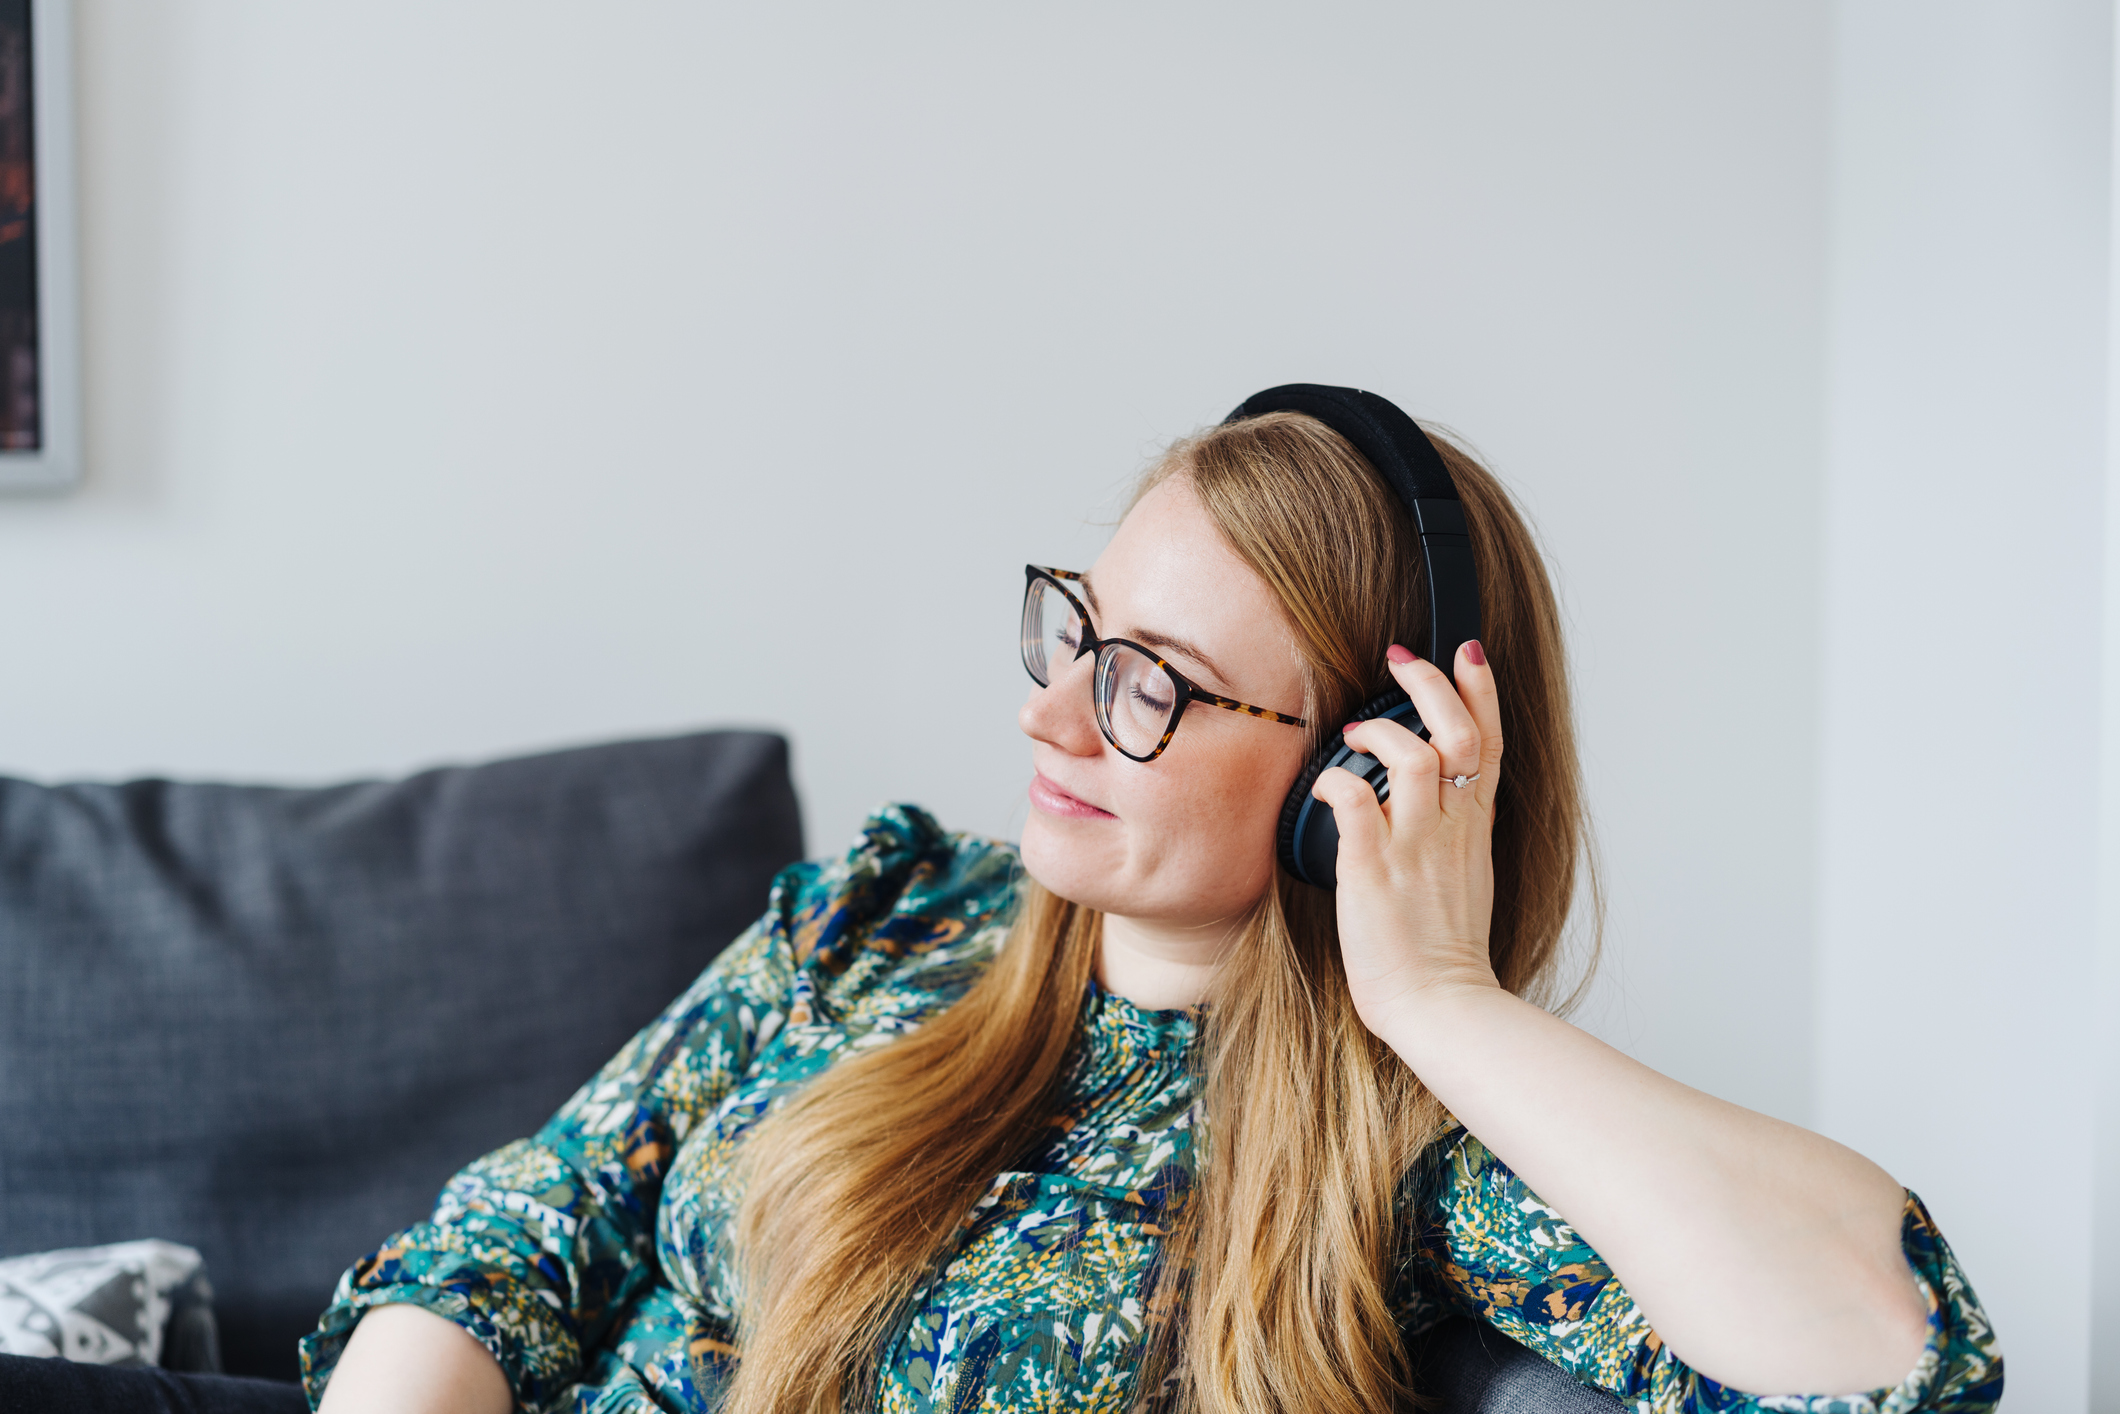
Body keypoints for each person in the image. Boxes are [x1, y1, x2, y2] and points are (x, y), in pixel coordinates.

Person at [301, 390, 2001, 1413]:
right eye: (1079, 630)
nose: (1053, 713)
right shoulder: (885, 917)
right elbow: (526, 1223)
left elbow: (1885, 1356)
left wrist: (1443, 999)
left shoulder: (1405, 1144)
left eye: (1156, 685)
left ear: (1368, 764)